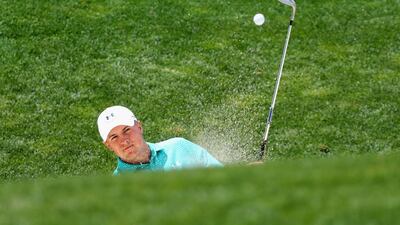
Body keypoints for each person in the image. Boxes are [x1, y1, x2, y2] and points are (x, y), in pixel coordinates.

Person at [97, 105, 223, 175]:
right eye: (114, 137)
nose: (124, 141)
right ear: (108, 145)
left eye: (127, 130)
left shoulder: (179, 147)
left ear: (139, 127)